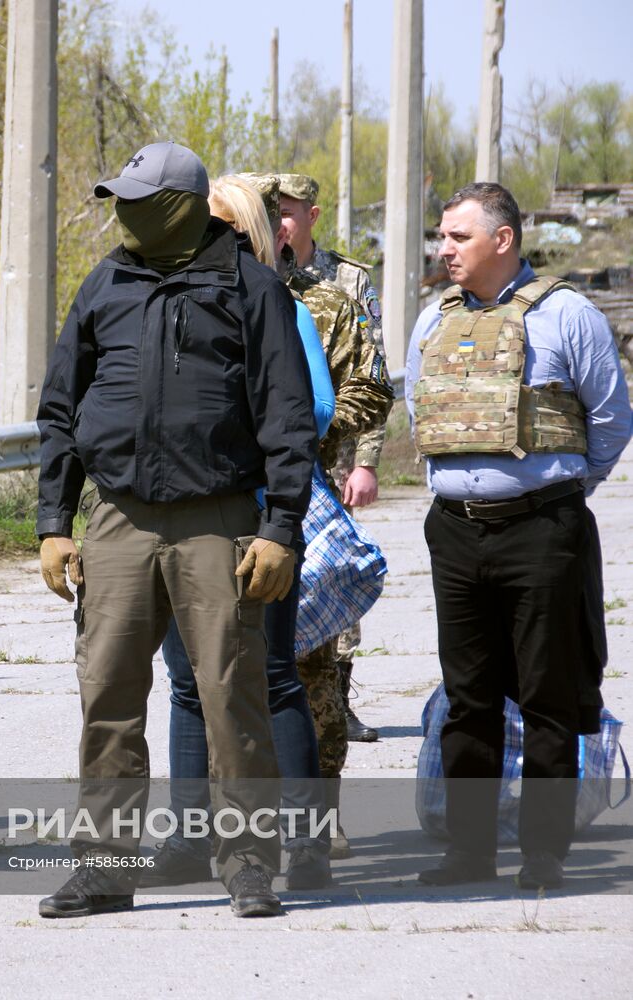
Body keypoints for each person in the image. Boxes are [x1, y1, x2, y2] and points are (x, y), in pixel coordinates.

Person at [35, 142, 318, 920]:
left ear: (183, 205)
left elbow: (287, 416)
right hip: (117, 519)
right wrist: (54, 523)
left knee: (233, 697)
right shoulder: (105, 284)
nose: (121, 212)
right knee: (108, 695)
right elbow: (60, 408)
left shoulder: (251, 287)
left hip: (218, 520)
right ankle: (103, 868)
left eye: (137, 198)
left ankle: (249, 865)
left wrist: (279, 528)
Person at [406, 182, 632, 890]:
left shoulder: (568, 316)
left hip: (542, 530)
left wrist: (554, 491)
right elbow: (418, 409)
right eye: (442, 237)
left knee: (546, 696)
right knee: (466, 696)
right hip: (453, 532)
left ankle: (542, 852)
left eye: (457, 238)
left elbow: (609, 421)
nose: (444, 250)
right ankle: (468, 850)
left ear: (501, 240)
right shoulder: (430, 322)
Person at [145, 174, 337, 893]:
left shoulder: (276, 304)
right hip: (179, 521)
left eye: (219, 224)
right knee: (189, 687)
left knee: (275, 678)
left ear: (249, 233)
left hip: (256, 522)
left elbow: (313, 409)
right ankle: (192, 841)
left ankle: (306, 845)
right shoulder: (167, 301)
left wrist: (231, 432)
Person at [279, 173, 386, 743]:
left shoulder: (345, 282)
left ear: (312, 215)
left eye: (289, 213)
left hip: (333, 457)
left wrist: (365, 461)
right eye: (271, 213)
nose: (280, 224)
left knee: (330, 585)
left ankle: (336, 700)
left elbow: (369, 377)